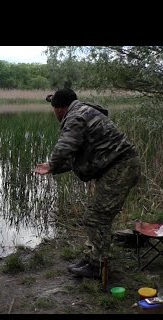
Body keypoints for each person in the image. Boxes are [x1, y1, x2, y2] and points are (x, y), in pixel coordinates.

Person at [34, 88, 140, 278]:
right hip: (116, 166)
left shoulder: (75, 117)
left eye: (53, 109)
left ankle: (98, 266)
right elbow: (80, 156)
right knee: (95, 215)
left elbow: (64, 147)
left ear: (59, 109)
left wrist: (52, 165)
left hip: (120, 167)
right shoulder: (84, 112)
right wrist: (53, 167)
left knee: (96, 218)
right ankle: (93, 257)